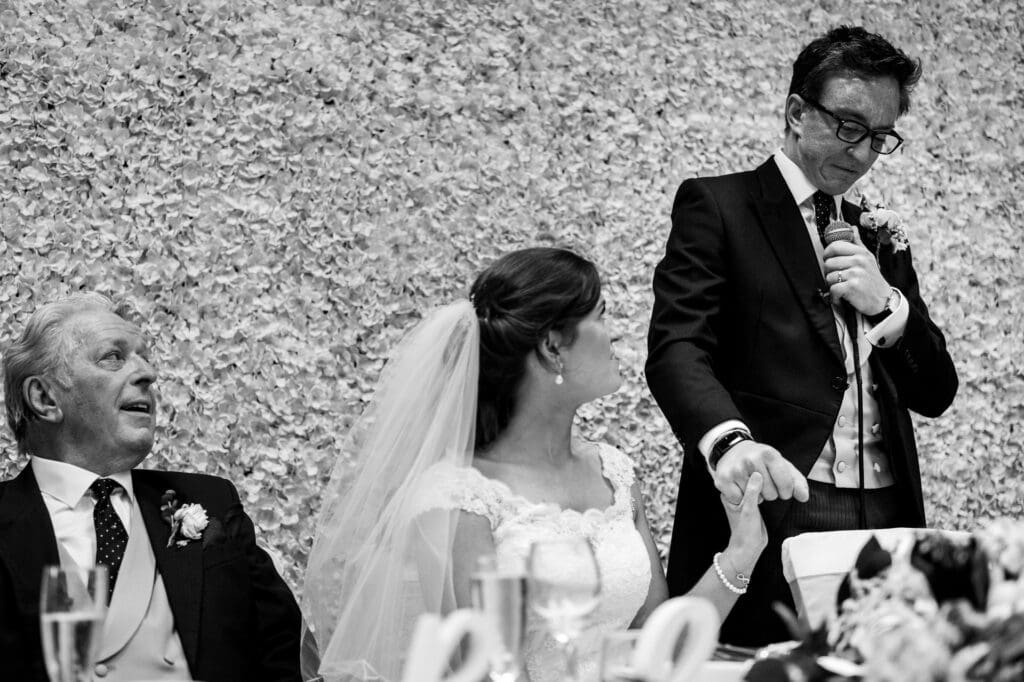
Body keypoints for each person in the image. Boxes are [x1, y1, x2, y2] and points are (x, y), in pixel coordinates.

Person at [302, 247, 767, 682]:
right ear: (552, 346)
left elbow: (652, 645)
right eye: (601, 316)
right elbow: (487, 671)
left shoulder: (613, 472)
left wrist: (742, 551)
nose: (614, 334)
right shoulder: (458, 499)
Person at [646, 25, 958, 646]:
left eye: (880, 137)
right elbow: (678, 347)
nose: (863, 154)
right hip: (774, 501)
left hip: (887, 511)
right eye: (849, 126)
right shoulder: (720, 206)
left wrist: (888, 305)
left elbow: (936, 392)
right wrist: (728, 443)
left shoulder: (878, 234)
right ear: (796, 111)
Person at [0, 293, 303, 681]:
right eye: (113, 357)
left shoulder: (212, 502)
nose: (148, 374)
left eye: (144, 357)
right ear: (44, 398)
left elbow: (281, 656)